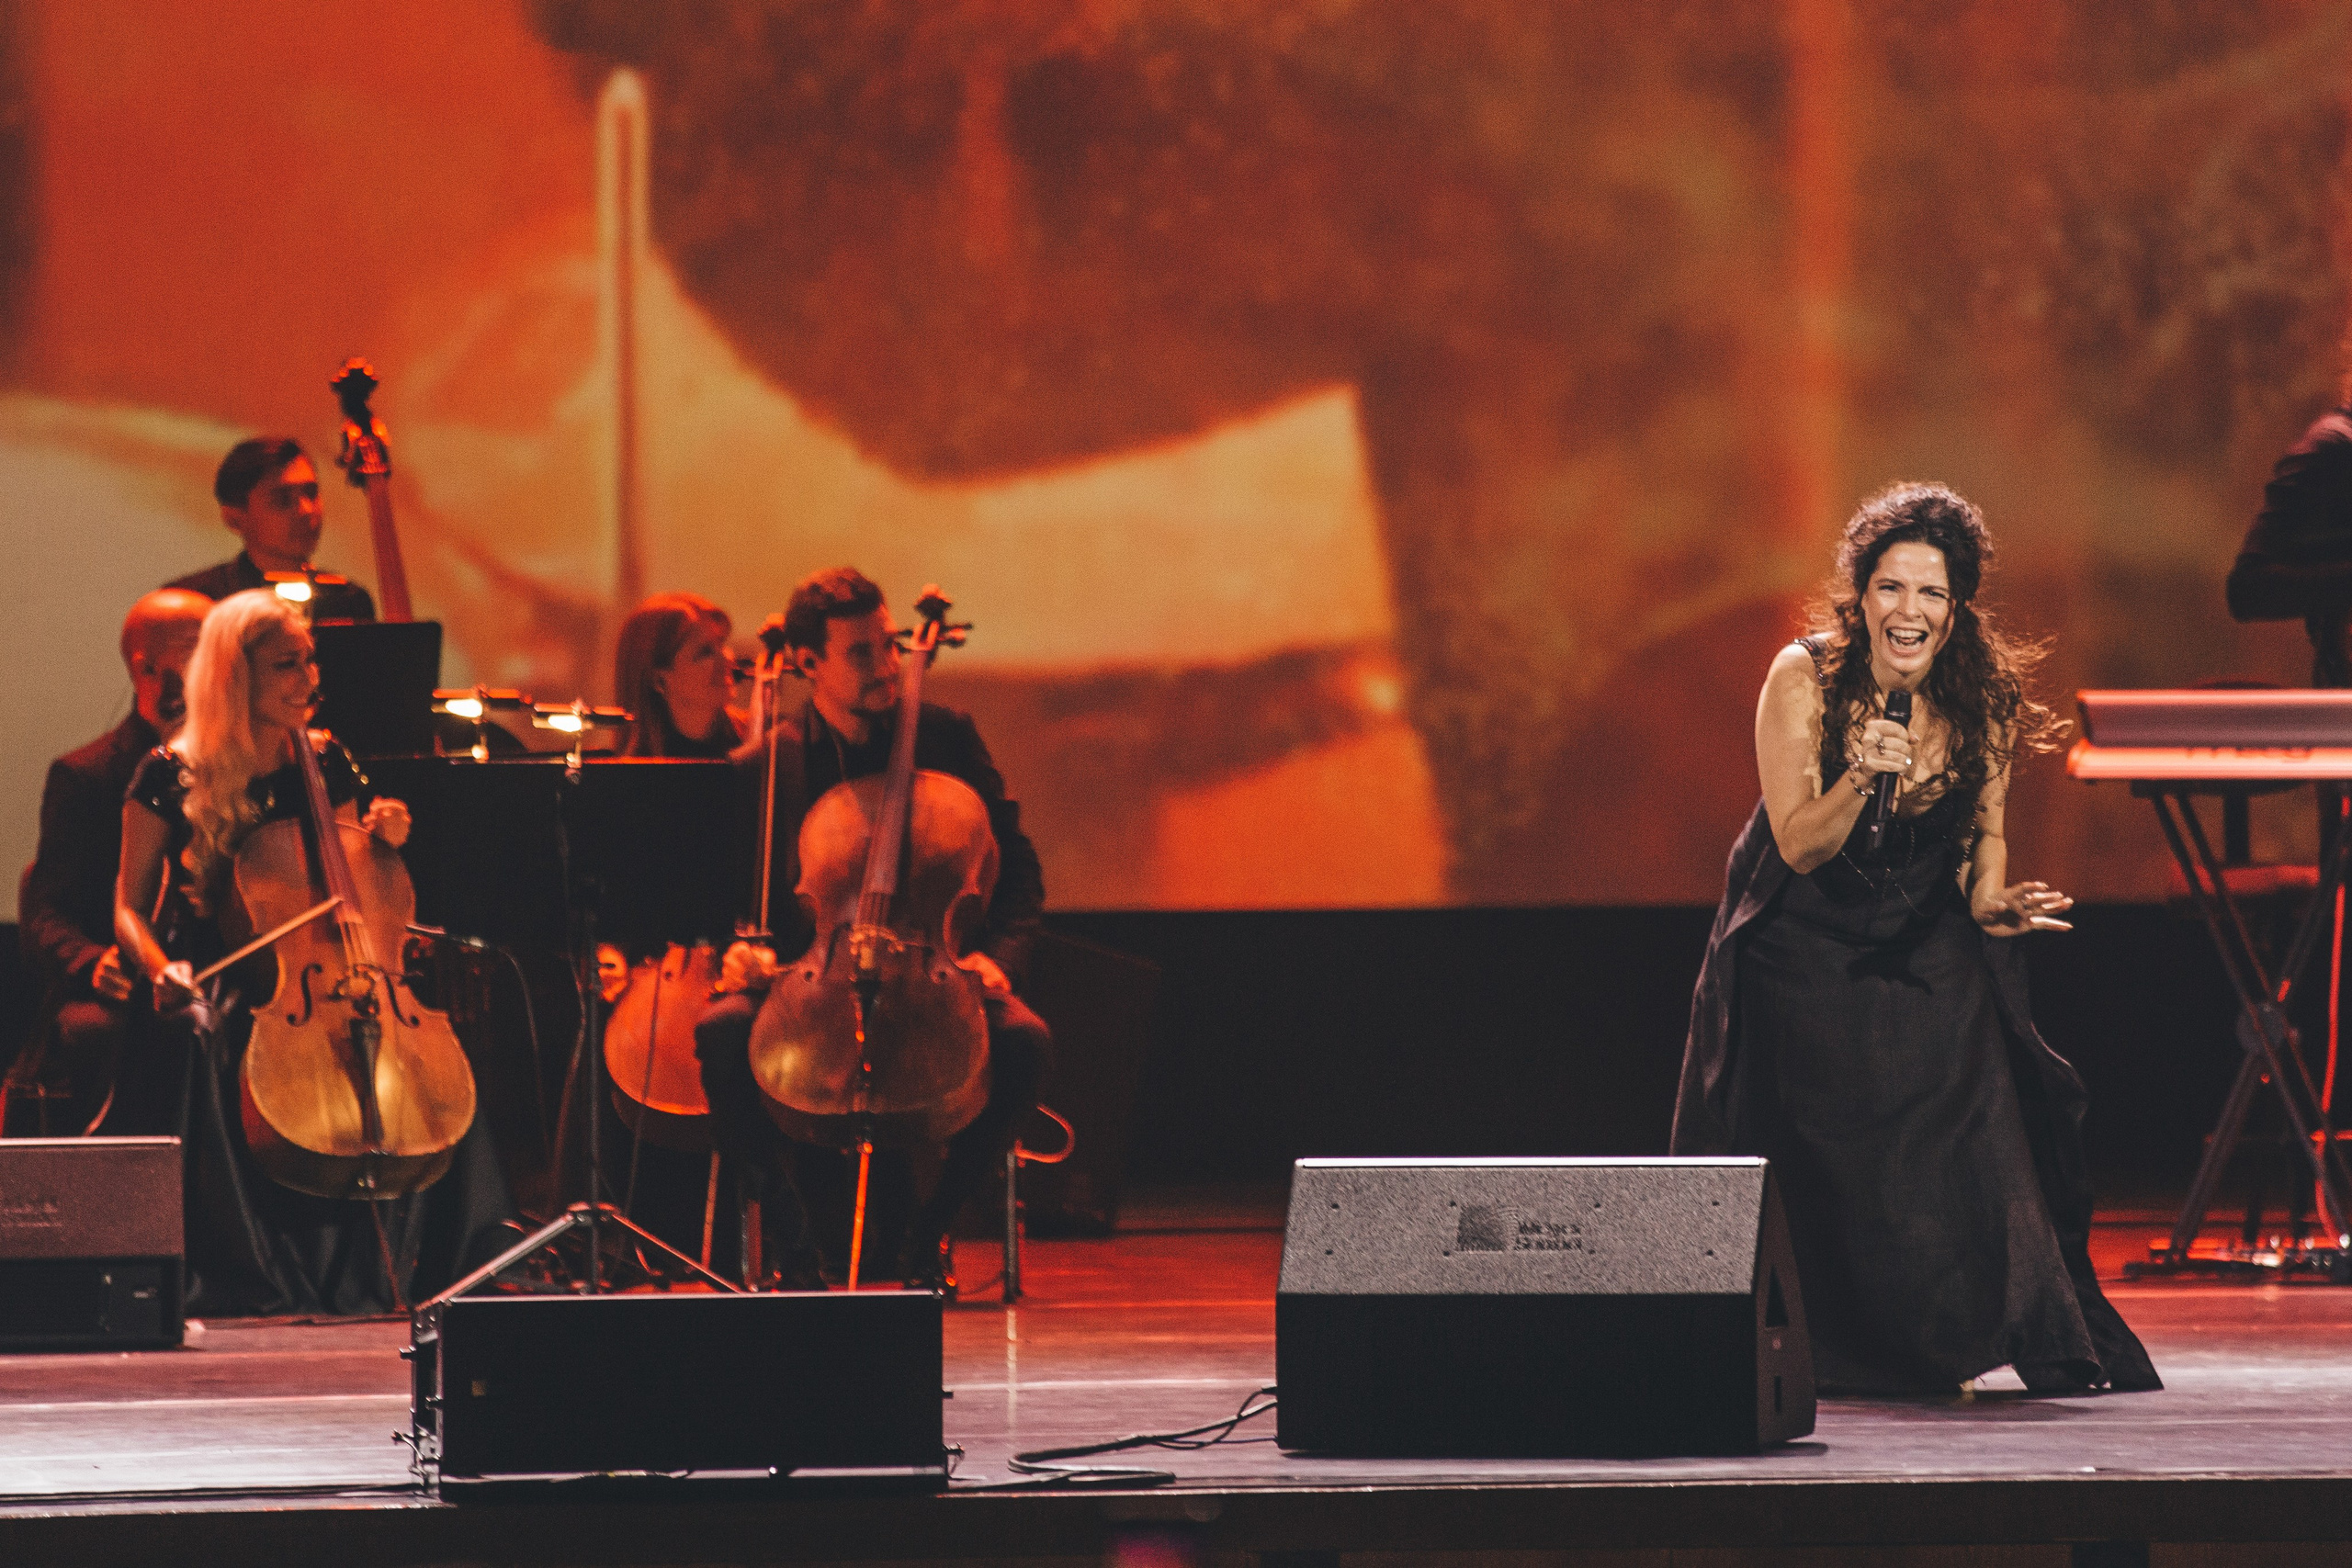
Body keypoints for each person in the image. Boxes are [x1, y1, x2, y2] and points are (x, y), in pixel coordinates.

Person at [1673, 482, 2160, 1396]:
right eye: (1890, 588)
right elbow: (1800, 845)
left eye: (1930, 592)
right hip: (1800, 931)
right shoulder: (1803, 677)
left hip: (1921, 922)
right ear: (1859, 598)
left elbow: (1985, 843)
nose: (1908, 610)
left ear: (1957, 606)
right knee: (1826, 1145)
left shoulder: (1985, 695)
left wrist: (1992, 904)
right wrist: (1862, 772)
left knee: (1973, 1110)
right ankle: (1850, 1349)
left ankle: (1965, 1341)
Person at [114, 589, 508, 1314]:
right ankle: (247, 1267)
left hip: (327, 965)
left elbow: (357, 888)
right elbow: (128, 907)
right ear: (238, 676)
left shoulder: (327, 757)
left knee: (418, 1057)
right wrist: (157, 968)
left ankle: (455, 1257)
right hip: (219, 972)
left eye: (309, 660)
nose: (308, 679)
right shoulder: (168, 771)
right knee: (208, 1037)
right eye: (286, 665)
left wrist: (382, 838)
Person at [695, 568, 1049, 1294]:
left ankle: (929, 1233)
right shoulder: (766, 763)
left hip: (931, 975)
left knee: (1024, 1042)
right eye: (861, 653)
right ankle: (797, 1248)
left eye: (889, 646)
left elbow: (1019, 871)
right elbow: (724, 894)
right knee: (720, 1033)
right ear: (805, 663)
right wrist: (739, 948)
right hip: (809, 982)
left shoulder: (945, 738)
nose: (887, 666)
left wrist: (999, 958)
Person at [6, 590, 212, 1135]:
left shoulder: (237, 768)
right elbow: (44, 913)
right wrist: (94, 960)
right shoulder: (87, 776)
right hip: (133, 1000)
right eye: (197, 655)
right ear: (144, 670)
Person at [166, 438, 377, 622]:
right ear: (234, 518)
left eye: (311, 493)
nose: (306, 510)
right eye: (281, 499)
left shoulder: (348, 600)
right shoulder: (196, 602)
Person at [613, 592, 750, 757]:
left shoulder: (760, 745)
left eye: (721, 643)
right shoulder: (632, 774)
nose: (726, 659)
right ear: (659, 681)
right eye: (704, 652)